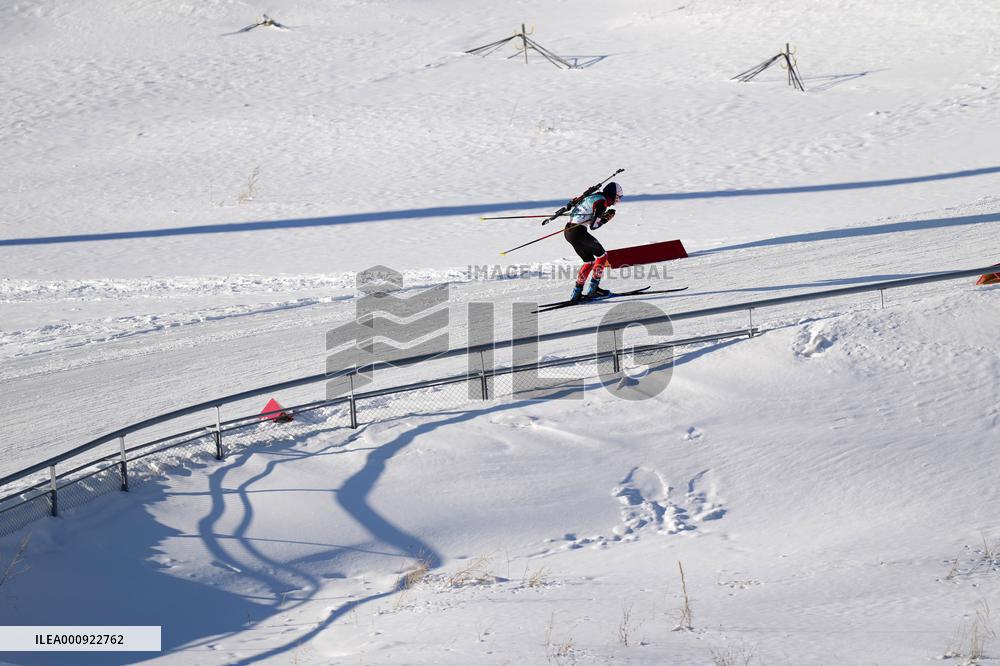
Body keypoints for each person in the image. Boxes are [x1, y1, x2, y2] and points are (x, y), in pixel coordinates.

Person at [564, 181, 622, 301]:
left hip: (569, 232)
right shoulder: (602, 203)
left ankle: (576, 294)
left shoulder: (594, 196)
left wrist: (602, 216)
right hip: (578, 231)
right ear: (613, 195)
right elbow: (594, 226)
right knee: (602, 256)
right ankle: (593, 290)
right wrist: (605, 219)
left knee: (589, 261)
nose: (618, 201)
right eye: (618, 198)